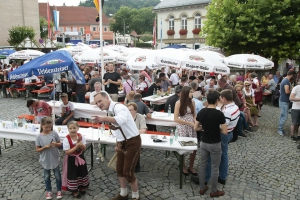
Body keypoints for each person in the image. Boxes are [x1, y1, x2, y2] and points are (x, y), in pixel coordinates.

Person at [93, 91, 141, 200]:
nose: (99, 104)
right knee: (119, 169)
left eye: (100, 101)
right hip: (122, 142)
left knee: (127, 172)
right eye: (96, 103)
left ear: (107, 98)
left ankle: (136, 196)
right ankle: (123, 194)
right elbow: (118, 129)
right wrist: (118, 143)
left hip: (132, 142)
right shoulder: (110, 110)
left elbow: (121, 120)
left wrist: (103, 119)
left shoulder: (119, 107)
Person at [194, 91, 227, 197]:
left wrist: (205, 127)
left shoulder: (202, 112)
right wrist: (218, 127)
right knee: (214, 167)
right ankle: (213, 190)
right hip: (215, 143)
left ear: (207, 100)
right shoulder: (219, 114)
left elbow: (196, 128)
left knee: (203, 165)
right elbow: (225, 132)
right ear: (217, 101)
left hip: (204, 142)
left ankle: (202, 188)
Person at [35, 117, 63, 200]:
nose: (48, 129)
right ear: (41, 126)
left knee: (57, 175)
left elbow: (59, 143)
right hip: (45, 159)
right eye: (46, 127)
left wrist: (56, 144)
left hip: (54, 157)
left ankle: (59, 190)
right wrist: (44, 147)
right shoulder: (39, 137)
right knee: (46, 176)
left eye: (49, 127)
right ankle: (49, 191)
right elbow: (37, 149)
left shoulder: (54, 133)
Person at [62, 121, 89, 198]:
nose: (72, 130)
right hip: (71, 159)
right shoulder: (66, 139)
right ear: (68, 129)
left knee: (81, 172)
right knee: (73, 174)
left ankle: (81, 187)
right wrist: (76, 146)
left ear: (78, 128)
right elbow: (67, 152)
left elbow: (84, 148)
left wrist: (80, 144)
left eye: (74, 128)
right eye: (70, 128)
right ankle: (74, 190)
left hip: (80, 157)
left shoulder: (81, 136)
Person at [174, 86, 197, 176]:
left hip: (191, 126)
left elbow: (194, 115)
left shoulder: (193, 102)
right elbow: (176, 119)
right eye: (191, 92)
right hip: (183, 126)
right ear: (186, 93)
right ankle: (183, 165)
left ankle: (191, 166)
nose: (192, 93)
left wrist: (195, 122)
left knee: (194, 148)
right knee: (183, 147)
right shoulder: (178, 103)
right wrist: (189, 123)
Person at [127, 102, 147, 173]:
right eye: (128, 110)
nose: (129, 112)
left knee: (135, 147)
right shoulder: (126, 118)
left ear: (135, 110)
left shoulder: (140, 117)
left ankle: (135, 167)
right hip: (127, 137)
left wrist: (133, 132)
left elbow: (144, 130)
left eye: (131, 110)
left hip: (137, 138)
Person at [278, 70, 296, 136]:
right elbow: (287, 91)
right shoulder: (286, 81)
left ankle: (281, 128)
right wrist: (293, 91)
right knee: (284, 116)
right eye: (293, 76)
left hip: (283, 100)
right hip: (284, 101)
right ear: (291, 75)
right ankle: (280, 129)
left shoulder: (284, 80)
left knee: (282, 115)